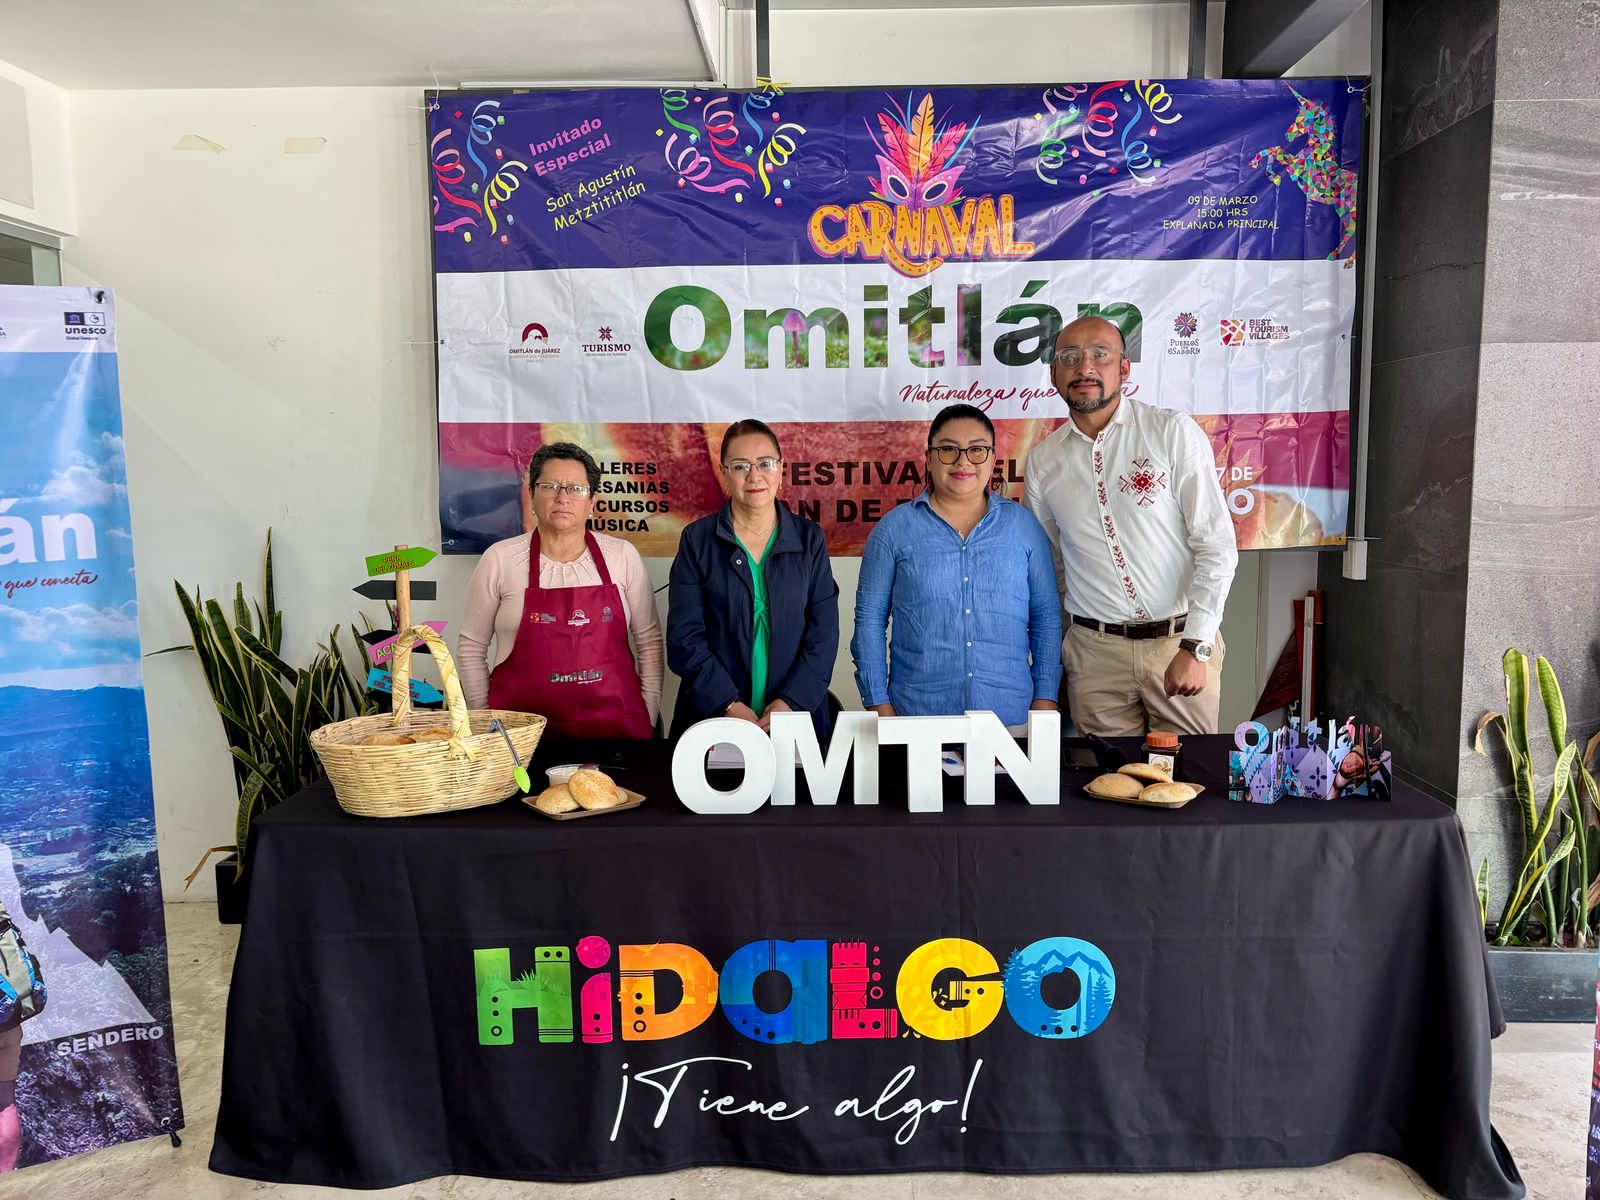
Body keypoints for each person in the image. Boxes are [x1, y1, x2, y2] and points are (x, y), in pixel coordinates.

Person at [1023, 317, 1238, 737]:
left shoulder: (1170, 432)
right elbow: (1053, 569)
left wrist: (1196, 645)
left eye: (1100, 355)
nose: (1085, 368)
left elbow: (1216, 546)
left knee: (1186, 772)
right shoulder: (1044, 462)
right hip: (1094, 656)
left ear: (1124, 368)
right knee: (1103, 775)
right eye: (1070, 357)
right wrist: (1060, 659)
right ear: (1053, 373)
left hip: (1178, 644)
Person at [852, 404, 1061, 727]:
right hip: (917, 717)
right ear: (929, 458)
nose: (963, 461)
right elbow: (869, 620)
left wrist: (1045, 700)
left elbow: (1046, 618)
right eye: (949, 450)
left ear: (993, 459)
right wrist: (878, 703)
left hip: (1012, 716)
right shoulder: (893, 531)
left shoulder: (1023, 527)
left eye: (977, 450)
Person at [459, 442, 663, 738]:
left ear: (592, 501)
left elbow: (649, 642)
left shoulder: (622, 556)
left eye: (576, 489)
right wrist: (486, 722)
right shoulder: (500, 559)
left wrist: (649, 714)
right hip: (521, 736)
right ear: (531, 495)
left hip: (616, 731)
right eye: (550, 486)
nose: (562, 497)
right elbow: (471, 647)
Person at [667, 420, 840, 737]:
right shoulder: (697, 541)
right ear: (724, 472)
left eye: (765, 463)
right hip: (715, 718)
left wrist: (790, 702)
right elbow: (684, 638)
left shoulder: (809, 540)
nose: (754, 476)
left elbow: (823, 636)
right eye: (740, 466)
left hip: (794, 718)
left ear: (781, 468)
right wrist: (728, 704)